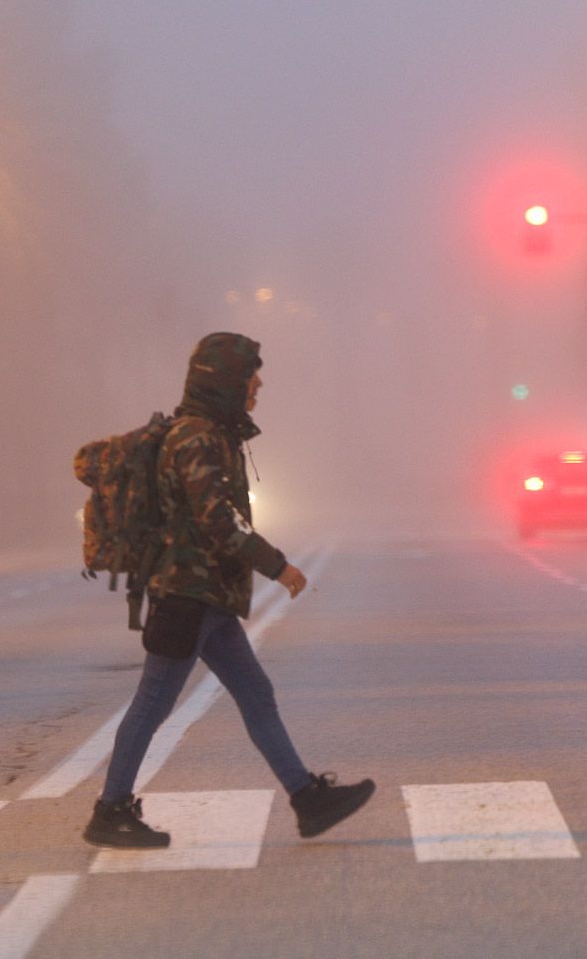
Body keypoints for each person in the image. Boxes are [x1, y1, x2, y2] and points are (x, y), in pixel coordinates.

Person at [84, 331, 374, 848]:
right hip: (187, 598)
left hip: (208, 599)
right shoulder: (196, 438)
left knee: (256, 694)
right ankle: (111, 810)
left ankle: (306, 798)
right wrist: (279, 566)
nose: (258, 384)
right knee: (152, 704)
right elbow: (219, 521)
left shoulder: (213, 434)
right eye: (249, 376)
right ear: (224, 383)